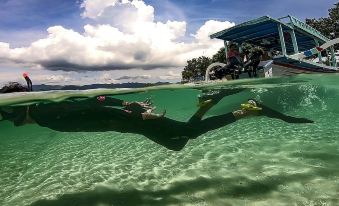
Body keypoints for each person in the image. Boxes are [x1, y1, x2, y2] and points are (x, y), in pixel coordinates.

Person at [0, 89, 313, 151]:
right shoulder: (42, 116)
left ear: (18, 111)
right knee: (179, 143)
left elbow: (95, 102)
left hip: (133, 121)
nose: (13, 122)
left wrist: (132, 108)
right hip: (130, 124)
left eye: (10, 117)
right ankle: (206, 105)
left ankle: (246, 110)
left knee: (187, 135)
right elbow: (92, 109)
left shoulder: (43, 112)